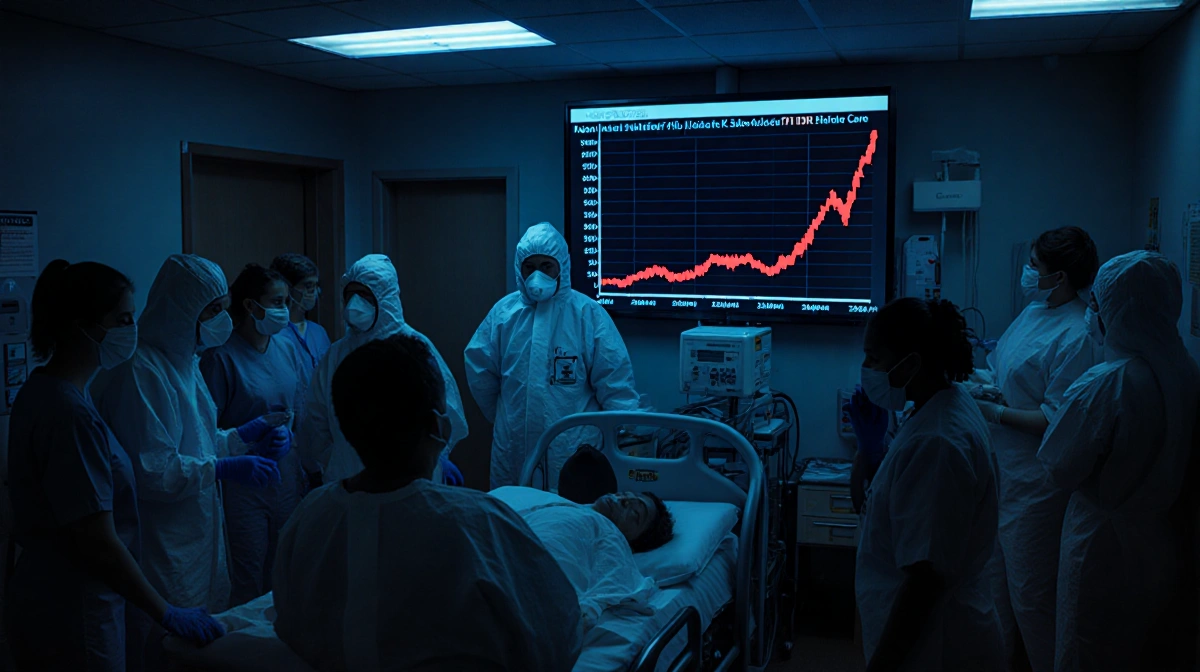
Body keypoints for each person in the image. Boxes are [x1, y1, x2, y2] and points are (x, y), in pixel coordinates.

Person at [274, 334, 583, 671]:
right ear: (440, 426)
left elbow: (291, 629)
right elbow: (555, 641)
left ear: (344, 428)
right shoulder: (480, 524)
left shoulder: (309, 519)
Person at [4, 260, 225, 671]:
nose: (132, 329)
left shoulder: (40, 392)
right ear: (80, 325)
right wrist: (165, 612)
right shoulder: (73, 416)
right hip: (78, 607)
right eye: (122, 319)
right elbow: (99, 541)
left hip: (46, 596)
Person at [95, 255, 284, 638]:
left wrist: (242, 436)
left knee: (201, 640)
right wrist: (224, 468)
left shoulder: (186, 362)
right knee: (163, 645)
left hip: (195, 538)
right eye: (212, 310)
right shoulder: (140, 371)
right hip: (162, 545)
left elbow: (196, 444)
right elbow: (154, 472)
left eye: (222, 308)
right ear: (184, 310)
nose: (222, 320)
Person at [1037, 250, 1200, 671]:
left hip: (1100, 549)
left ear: (1114, 310)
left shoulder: (1108, 383)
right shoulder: (1187, 374)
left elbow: (1057, 467)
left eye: (1096, 305)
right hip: (1159, 546)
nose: (1091, 314)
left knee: (1083, 652)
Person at [969, 227, 1100, 672]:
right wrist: (980, 387)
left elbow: (1055, 419)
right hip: (1003, 474)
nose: (1028, 273)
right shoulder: (1036, 311)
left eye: (1035, 266)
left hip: (1036, 488)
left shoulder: (1079, 335)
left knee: (1032, 600)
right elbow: (1006, 377)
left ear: (1059, 276)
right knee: (994, 594)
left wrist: (994, 414)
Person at [851, 297, 1003, 672]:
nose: (866, 368)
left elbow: (924, 581)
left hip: (937, 643)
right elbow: (876, 508)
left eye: (874, 357)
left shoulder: (937, 443)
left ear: (911, 363)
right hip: (931, 634)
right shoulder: (937, 405)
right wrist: (869, 452)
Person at [465, 222, 641, 489]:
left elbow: (615, 384)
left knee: (573, 519)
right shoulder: (504, 314)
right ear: (519, 269)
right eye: (529, 267)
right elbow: (481, 373)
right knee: (514, 518)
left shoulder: (587, 315)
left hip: (574, 450)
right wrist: (508, 415)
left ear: (562, 266)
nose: (537, 275)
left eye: (546, 266)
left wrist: (626, 438)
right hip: (514, 446)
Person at [297, 254, 467, 486]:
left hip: (412, 479)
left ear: (385, 298)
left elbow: (449, 414)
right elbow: (315, 419)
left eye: (365, 295)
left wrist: (437, 456)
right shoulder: (336, 356)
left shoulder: (416, 349)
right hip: (349, 477)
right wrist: (335, 460)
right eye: (350, 295)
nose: (355, 304)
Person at [199, 264, 307, 607]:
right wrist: (249, 440)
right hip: (242, 488)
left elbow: (297, 408)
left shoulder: (286, 347)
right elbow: (205, 432)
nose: (286, 309)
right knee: (248, 580)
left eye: (287, 301)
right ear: (250, 305)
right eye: (277, 301)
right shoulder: (220, 357)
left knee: (286, 575)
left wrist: (287, 435)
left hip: (286, 478)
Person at [269, 253, 331, 372]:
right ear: (288, 288)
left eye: (315, 285)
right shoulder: (273, 334)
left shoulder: (319, 332)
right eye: (308, 285)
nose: (313, 291)